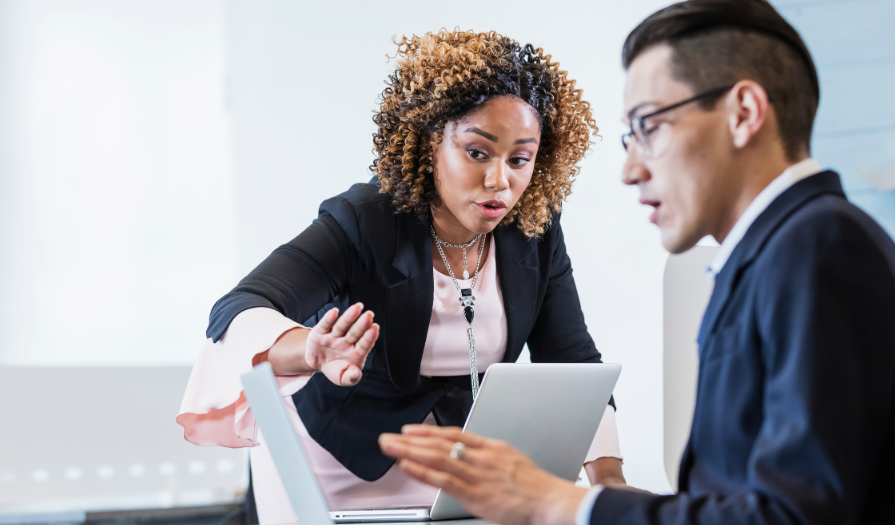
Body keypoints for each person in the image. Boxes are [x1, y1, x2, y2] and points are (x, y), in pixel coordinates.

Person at [379, 1, 895, 524]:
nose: (629, 169)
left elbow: (795, 518)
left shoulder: (818, 248)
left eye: (649, 126)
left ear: (743, 113)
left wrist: (562, 503)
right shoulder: (781, 252)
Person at [177, 29, 628, 523]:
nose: (500, 180)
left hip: (446, 463)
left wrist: (609, 487)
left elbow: (573, 364)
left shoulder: (532, 228)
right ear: (432, 142)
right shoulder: (365, 221)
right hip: (330, 459)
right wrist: (309, 348)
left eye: (519, 159)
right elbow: (239, 307)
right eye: (477, 152)